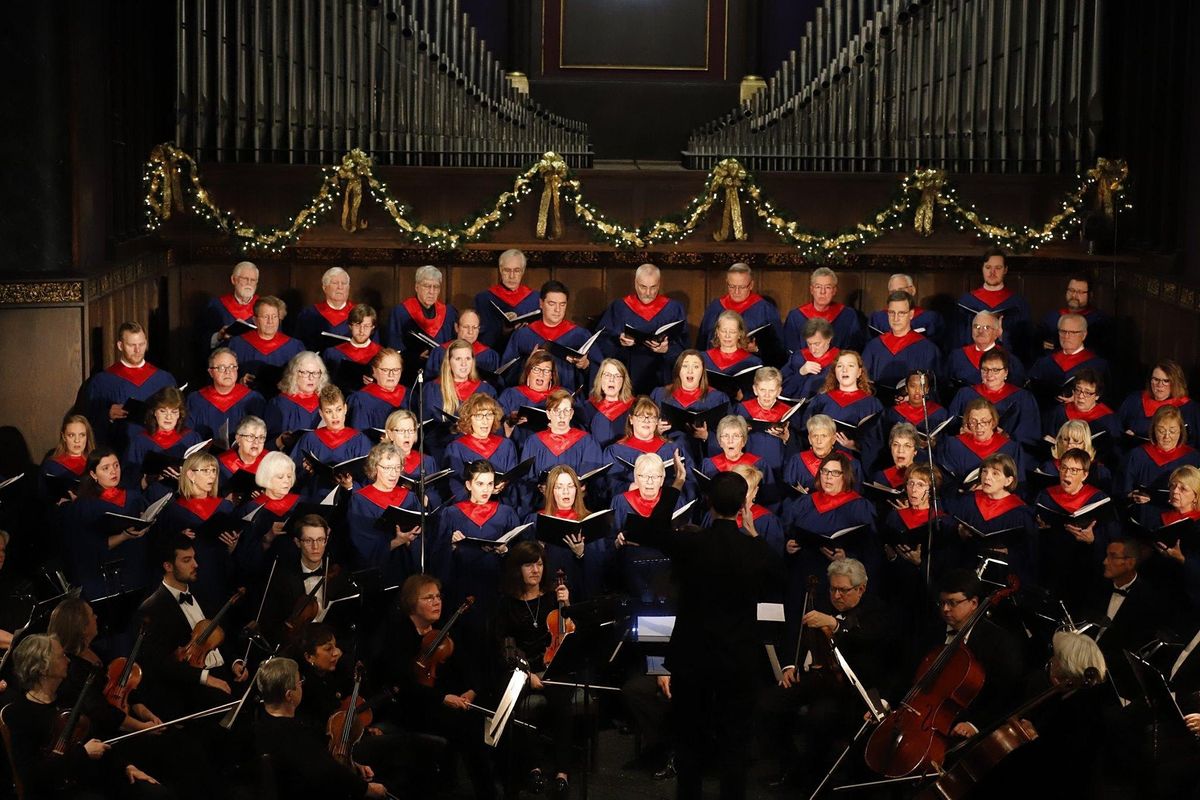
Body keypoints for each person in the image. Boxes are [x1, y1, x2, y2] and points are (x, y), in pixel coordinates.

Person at [630, 469, 784, 800]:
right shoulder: (754, 550)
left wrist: (676, 486)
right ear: (744, 505)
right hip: (738, 658)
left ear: (708, 503)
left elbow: (653, 531)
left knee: (690, 740)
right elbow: (778, 578)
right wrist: (755, 535)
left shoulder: (692, 542)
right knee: (735, 743)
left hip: (693, 657)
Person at [757, 558, 894, 792]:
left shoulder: (877, 610)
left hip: (852, 688)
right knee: (767, 704)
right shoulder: (820, 602)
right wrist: (791, 665)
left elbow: (868, 637)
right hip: (820, 678)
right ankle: (790, 764)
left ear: (860, 589)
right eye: (833, 588)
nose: (837, 595)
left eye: (843, 590)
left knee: (819, 717)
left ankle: (815, 780)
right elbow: (797, 635)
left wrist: (836, 625)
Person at [5, 633, 166, 799]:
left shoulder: (70, 696)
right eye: (61, 657)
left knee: (155, 793)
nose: (68, 660)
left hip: (90, 777)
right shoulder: (20, 714)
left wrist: (126, 766)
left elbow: (96, 739)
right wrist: (83, 754)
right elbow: (31, 776)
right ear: (44, 669)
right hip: (60, 791)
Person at [491, 541, 577, 797]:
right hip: (520, 669)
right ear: (517, 569)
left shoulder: (553, 598)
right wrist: (527, 673)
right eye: (529, 564)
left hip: (552, 667)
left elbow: (569, 635)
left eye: (539, 564)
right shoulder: (506, 604)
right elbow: (504, 646)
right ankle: (533, 767)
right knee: (520, 706)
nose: (535, 570)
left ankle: (562, 772)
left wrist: (568, 605)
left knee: (563, 704)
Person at [135, 533, 249, 719]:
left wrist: (235, 661)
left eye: (194, 558)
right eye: (187, 560)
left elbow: (218, 636)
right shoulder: (152, 609)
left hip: (224, 672)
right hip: (193, 684)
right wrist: (205, 678)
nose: (195, 564)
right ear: (168, 566)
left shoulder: (203, 592)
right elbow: (159, 664)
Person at [905, 570, 1024, 741]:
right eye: (942, 603)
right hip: (922, 715)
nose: (945, 609)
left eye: (952, 603)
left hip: (962, 729)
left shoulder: (999, 643)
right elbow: (910, 670)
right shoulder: (931, 630)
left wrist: (974, 724)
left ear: (974, 603)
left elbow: (1006, 695)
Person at [253, 656, 390, 798]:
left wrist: (353, 766)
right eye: (299, 682)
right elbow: (328, 772)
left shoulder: (261, 724)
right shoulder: (294, 735)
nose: (301, 685)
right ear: (289, 695)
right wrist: (366, 789)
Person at [783, 451, 880, 600]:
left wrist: (847, 558)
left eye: (835, 473)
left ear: (845, 476)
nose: (828, 477)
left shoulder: (860, 507)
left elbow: (871, 549)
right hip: (804, 574)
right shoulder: (805, 503)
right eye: (825, 471)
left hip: (840, 581)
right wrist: (788, 546)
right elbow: (789, 533)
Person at [61, 447, 152, 599]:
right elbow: (86, 547)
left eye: (116, 465)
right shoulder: (85, 506)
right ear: (93, 474)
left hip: (138, 567)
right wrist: (123, 536)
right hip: (107, 577)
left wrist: (146, 522)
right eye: (106, 468)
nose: (113, 471)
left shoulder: (133, 496)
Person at [1033, 447, 1117, 610]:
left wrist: (1094, 539)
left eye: (1074, 470)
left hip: (1084, 569)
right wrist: (1040, 528)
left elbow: (1113, 536)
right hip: (1051, 565)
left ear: (1084, 475)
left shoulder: (1099, 499)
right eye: (1063, 468)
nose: (1067, 474)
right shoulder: (1045, 495)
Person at [156, 451, 241, 607]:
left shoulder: (225, 507)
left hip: (219, 573)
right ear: (190, 475)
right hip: (191, 578)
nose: (211, 476)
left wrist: (232, 546)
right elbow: (161, 547)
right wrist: (178, 538)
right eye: (206, 471)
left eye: (214, 471)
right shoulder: (174, 510)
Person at [259, 515, 353, 650]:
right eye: (308, 540)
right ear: (298, 542)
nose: (316, 547)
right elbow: (271, 625)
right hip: (295, 649)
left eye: (321, 540)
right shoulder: (281, 579)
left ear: (326, 541)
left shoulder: (338, 575)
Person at [442, 459, 523, 617]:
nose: (486, 489)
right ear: (468, 485)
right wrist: (450, 545)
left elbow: (520, 553)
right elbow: (437, 556)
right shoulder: (451, 513)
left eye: (490, 484)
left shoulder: (506, 513)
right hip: (463, 585)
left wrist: (505, 550)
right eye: (480, 484)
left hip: (497, 585)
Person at [82, 322, 178, 450]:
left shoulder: (164, 379)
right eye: (132, 345)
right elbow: (87, 419)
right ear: (120, 345)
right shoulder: (102, 381)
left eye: (142, 344)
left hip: (157, 449)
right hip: (119, 450)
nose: (138, 350)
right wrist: (108, 415)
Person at [597, 263, 689, 395]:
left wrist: (667, 349)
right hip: (628, 374)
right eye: (643, 287)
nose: (648, 293)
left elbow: (685, 346)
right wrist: (619, 340)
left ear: (659, 284)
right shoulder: (620, 307)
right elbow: (602, 339)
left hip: (662, 375)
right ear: (635, 283)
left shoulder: (673, 308)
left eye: (653, 287)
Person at [948, 453, 1037, 584]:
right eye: (984, 471)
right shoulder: (968, 501)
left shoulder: (1021, 513)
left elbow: (1030, 552)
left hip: (1002, 573)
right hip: (967, 568)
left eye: (995, 473)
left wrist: (1009, 552)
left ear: (1008, 480)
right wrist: (959, 532)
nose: (987, 477)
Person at [345, 443, 423, 585]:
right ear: (375, 468)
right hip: (379, 575)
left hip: (408, 570)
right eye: (387, 468)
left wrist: (413, 539)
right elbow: (361, 543)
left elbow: (423, 537)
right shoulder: (361, 500)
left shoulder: (409, 497)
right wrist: (397, 541)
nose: (393, 474)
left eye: (397, 467)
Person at [501, 280, 596, 393]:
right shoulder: (524, 335)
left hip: (565, 403)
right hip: (529, 401)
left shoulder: (580, 336)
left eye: (562, 304)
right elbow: (505, 375)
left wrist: (586, 365)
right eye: (552, 304)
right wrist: (529, 363)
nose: (557, 310)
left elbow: (599, 373)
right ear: (541, 303)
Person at [519, 388, 603, 510]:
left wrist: (581, 486)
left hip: (577, 507)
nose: (562, 416)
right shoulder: (534, 442)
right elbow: (526, 479)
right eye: (557, 411)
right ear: (548, 414)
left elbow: (593, 479)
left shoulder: (586, 441)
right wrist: (541, 487)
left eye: (566, 411)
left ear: (572, 414)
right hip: (542, 505)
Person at [289, 384, 370, 500]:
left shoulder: (359, 440)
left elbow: (368, 480)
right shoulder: (310, 439)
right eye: (328, 411)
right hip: (314, 499)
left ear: (345, 408)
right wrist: (306, 471)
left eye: (339, 409)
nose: (335, 416)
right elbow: (293, 475)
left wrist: (350, 486)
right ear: (321, 413)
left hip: (347, 502)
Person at [805, 350, 884, 467]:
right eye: (840, 366)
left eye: (850, 366)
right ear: (834, 372)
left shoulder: (872, 404)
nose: (844, 370)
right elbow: (806, 430)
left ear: (859, 372)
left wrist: (855, 445)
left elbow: (878, 442)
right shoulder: (821, 400)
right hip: (820, 462)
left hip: (852, 464)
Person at [423, 338, 498, 461]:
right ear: (449, 362)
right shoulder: (432, 389)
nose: (464, 364)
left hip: (478, 454)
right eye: (458, 359)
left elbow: (495, 427)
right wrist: (451, 429)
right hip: (443, 453)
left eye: (468, 359)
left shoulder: (486, 390)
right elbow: (425, 428)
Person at [948, 348, 1040, 448]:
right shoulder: (965, 394)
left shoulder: (1023, 398)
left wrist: (1005, 436)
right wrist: (962, 430)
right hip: (969, 448)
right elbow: (951, 427)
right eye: (985, 369)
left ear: (1006, 372)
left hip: (1006, 452)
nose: (989, 375)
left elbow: (1029, 436)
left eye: (996, 370)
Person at [652, 349, 731, 463]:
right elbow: (644, 426)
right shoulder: (660, 394)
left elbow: (730, 433)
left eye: (695, 367)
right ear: (678, 370)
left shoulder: (718, 398)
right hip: (667, 455)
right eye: (685, 366)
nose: (690, 371)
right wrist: (656, 430)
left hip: (703, 456)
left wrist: (707, 436)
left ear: (702, 371)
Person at [695, 262, 784, 362]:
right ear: (726, 282)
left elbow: (779, 349)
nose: (736, 292)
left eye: (742, 287)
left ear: (751, 285)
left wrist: (757, 349)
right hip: (716, 366)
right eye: (732, 286)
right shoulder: (715, 308)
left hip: (751, 367)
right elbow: (702, 343)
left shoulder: (765, 309)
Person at [954, 248, 1032, 360]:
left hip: (1007, 361)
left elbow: (1024, 343)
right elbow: (958, 338)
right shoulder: (966, 302)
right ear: (982, 269)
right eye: (988, 267)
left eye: (998, 268)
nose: (992, 273)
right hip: (972, 360)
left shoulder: (1018, 303)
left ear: (1005, 270)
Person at [861, 291, 942, 398]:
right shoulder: (874, 347)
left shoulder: (928, 348)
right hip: (879, 405)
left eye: (901, 313)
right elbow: (863, 382)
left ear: (911, 314)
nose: (895, 318)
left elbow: (935, 388)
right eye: (891, 312)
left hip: (913, 408)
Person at [937, 398, 1028, 492]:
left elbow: (1018, 484)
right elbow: (945, 480)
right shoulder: (954, 444)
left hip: (998, 501)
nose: (978, 427)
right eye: (973, 422)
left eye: (984, 421)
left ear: (993, 422)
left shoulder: (1011, 448)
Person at [123, 386, 203, 491]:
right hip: (151, 497)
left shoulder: (191, 438)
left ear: (180, 414)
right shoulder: (140, 441)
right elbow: (130, 481)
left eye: (174, 412)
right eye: (163, 411)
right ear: (154, 412)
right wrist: (149, 479)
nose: (169, 417)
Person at [444, 393, 519, 504]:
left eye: (489, 415)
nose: (485, 421)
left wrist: (504, 484)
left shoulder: (506, 446)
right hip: (468, 508)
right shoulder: (456, 448)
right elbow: (454, 485)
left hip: (500, 506)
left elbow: (513, 480)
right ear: (469, 419)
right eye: (479, 416)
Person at [1027, 312, 1110, 408]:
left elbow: (1106, 398)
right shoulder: (1044, 362)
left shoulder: (1098, 365)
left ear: (1084, 335)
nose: (1066, 336)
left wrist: (1079, 398)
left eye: (1073, 332)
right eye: (1063, 331)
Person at [226, 296, 305, 397]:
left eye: (274, 317)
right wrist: (239, 381)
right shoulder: (237, 344)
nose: (270, 321)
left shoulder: (294, 346)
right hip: (246, 401)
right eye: (265, 317)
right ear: (255, 320)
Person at [1121, 404, 1200, 503]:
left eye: (1172, 431)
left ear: (1181, 430)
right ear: (1153, 430)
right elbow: (1123, 491)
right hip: (1145, 513)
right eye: (1161, 431)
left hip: (1182, 515)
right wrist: (1133, 496)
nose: (1166, 437)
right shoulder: (1137, 456)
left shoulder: (1193, 458)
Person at [185, 347, 265, 440]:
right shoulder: (196, 400)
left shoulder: (253, 399)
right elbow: (187, 434)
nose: (228, 372)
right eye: (221, 368)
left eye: (232, 366)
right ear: (211, 372)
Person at [385, 265, 459, 364]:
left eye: (436, 287)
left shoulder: (449, 313)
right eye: (427, 286)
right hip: (411, 369)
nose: (431, 292)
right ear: (417, 287)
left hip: (441, 369)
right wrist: (415, 356)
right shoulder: (401, 312)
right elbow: (394, 348)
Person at [783, 267, 864, 353]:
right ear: (812, 290)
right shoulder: (796, 317)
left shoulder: (848, 316)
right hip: (804, 365)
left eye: (828, 287)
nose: (822, 292)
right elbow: (790, 350)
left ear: (834, 291)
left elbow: (854, 349)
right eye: (818, 287)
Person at [1117, 359, 1200, 443]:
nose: (1160, 385)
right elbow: (1118, 428)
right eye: (1156, 379)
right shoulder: (1135, 400)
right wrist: (1125, 436)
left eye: (1166, 381)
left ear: (1176, 383)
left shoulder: (1191, 409)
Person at [475, 248, 541, 351]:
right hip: (495, 354)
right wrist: (503, 329)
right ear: (500, 270)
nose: (512, 276)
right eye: (507, 270)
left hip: (526, 354)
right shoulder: (484, 298)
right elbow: (481, 335)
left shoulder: (535, 298)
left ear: (523, 271)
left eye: (516, 270)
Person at [783, 413, 863, 496]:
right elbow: (787, 495)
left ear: (833, 439)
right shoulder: (797, 461)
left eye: (824, 436)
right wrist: (798, 496)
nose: (819, 441)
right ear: (809, 439)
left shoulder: (851, 463)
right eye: (815, 436)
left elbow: (856, 498)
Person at [944, 310, 1027, 389]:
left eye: (987, 328)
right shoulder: (957, 356)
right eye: (976, 326)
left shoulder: (1009, 360)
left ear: (997, 332)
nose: (980, 331)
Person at [1044, 367, 1121, 452]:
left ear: (1097, 396)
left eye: (1087, 393)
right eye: (1078, 390)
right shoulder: (1060, 412)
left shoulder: (1109, 419)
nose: (1081, 396)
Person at [498, 350, 561, 451]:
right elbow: (495, 424)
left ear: (552, 376)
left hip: (552, 450)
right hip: (517, 450)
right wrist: (510, 422)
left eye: (546, 370)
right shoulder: (511, 395)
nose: (541, 374)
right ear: (528, 372)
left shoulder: (561, 397)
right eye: (536, 369)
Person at [263, 351, 328, 446]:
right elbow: (268, 442)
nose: (311, 378)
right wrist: (281, 440)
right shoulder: (279, 404)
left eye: (316, 373)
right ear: (293, 374)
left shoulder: (326, 402)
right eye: (305, 372)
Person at [1037, 274, 1111, 356]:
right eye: (1071, 290)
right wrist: (1040, 344)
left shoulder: (1100, 320)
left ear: (1090, 295)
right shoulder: (1051, 318)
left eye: (1080, 292)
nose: (1074, 296)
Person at [1036, 419, 1115, 494]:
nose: (1070, 444)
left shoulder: (1099, 472)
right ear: (1060, 441)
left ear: (1085, 444)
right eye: (1066, 439)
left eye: (1076, 441)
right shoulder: (1048, 468)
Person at [700, 310, 763, 401]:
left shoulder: (753, 363)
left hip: (738, 410)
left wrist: (743, 396)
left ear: (740, 334)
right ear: (717, 332)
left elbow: (757, 394)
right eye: (723, 331)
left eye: (732, 332)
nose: (727, 336)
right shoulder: (703, 358)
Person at [866, 273, 945, 347]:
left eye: (901, 289)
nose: (898, 294)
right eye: (893, 291)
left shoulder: (930, 318)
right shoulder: (878, 318)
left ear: (913, 290)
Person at [198, 260, 259, 350]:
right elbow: (203, 339)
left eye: (253, 280)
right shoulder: (216, 306)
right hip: (225, 359)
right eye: (245, 279)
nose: (249, 283)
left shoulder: (264, 307)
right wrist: (219, 336)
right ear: (233, 280)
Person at [293, 266, 358, 351]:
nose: (340, 287)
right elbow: (298, 346)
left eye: (344, 283)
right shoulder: (309, 314)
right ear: (324, 288)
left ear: (348, 287)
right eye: (335, 283)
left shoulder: (360, 314)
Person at [321, 303, 383, 391]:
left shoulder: (382, 354)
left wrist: (376, 383)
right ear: (350, 326)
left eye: (366, 326)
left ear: (372, 327)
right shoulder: (333, 354)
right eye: (357, 325)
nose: (361, 331)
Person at [424, 308, 501, 377]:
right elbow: (431, 385)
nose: (470, 332)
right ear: (456, 327)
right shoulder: (440, 352)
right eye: (466, 327)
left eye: (474, 327)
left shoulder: (489, 356)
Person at [345, 348, 408, 430]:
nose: (391, 374)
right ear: (374, 371)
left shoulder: (409, 395)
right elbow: (359, 435)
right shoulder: (361, 400)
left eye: (396, 370)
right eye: (385, 370)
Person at [884, 370, 953, 444]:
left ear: (927, 390)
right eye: (913, 386)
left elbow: (947, 441)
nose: (917, 391)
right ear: (907, 389)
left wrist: (935, 442)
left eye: (922, 386)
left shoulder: (940, 413)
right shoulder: (893, 413)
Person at [579, 358, 635, 449]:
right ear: (600, 379)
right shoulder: (588, 407)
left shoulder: (634, 407)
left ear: (624, 381)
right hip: (595, 457)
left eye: (617, 376)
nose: (611, 379)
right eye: (607, 375)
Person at [40, 413, 95, 505]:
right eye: (71, 435)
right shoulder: (51, 465)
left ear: (87, 437)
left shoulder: (97, 464)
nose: (77, 440)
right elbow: (42, 497)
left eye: (82, 435)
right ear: (64, 437)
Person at [781, 317, 839, 400]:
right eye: (809, 344)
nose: (813, 349)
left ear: (828, 339)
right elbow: (783, 390)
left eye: (817, 344)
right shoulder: (798, 357)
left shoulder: (841, 361)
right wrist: (800, 373)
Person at [216, 415, 268, 495]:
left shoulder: (270, 461)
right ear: (238, 438)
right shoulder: (222, 464)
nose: (256, 442)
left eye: (261, 437)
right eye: (251, 436)